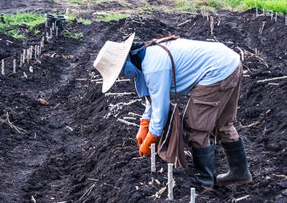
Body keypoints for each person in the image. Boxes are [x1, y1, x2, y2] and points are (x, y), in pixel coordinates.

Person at [93, 33, 252, 190]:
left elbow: (161, 107)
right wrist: (144, 123)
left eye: (121, 72)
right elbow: (153, 96)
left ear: (125, 62)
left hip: (216, 72)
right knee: (223, 124)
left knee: (195, 127)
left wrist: (151, 139)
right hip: (230, 62)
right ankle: (240, 173)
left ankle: (206, 182)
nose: (123, 76)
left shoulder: (154, 67)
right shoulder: (146, 53)